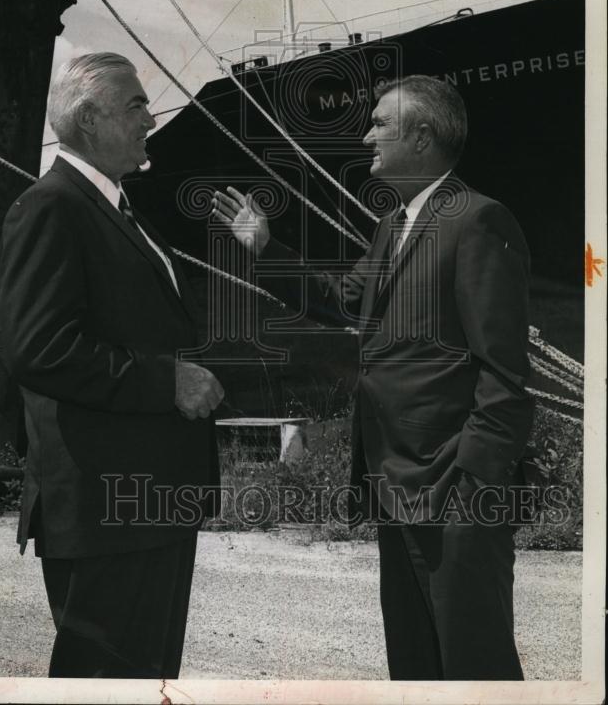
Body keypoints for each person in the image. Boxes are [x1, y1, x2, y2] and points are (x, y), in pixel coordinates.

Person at [212, 75, 534, 681]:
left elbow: (505, 373)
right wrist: (265, 249)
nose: (366, 136)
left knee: (474, 664)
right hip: (398, 483)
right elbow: (344, 300)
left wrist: (473, 483)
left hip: (453, 491)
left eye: (380, 123)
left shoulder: (479, 221)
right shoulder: (399, 225)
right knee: (415, 661)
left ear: (421, 135)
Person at [0, 52, 223, 679]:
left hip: (145, 505)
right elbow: (37, 348)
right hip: (106, 508)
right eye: (136, 106)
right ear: (89, 118)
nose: (151, 118)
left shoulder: (118, 207)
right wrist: (165, 381)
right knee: (103, 682)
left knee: (145, 679)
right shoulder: (52, 207)